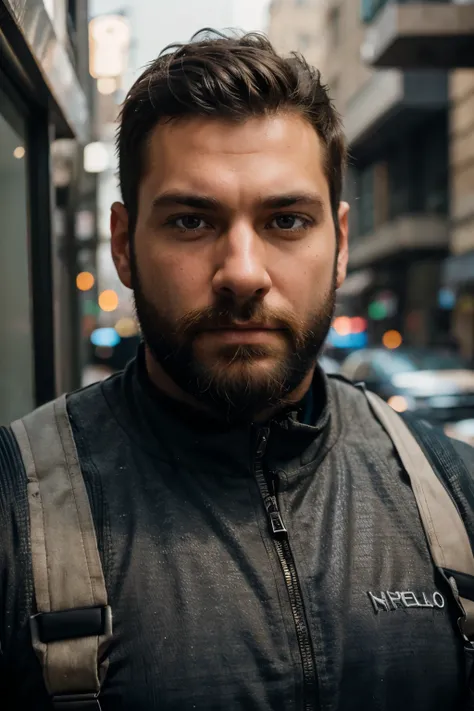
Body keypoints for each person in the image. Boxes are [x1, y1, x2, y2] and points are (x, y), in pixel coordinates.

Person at [1, 30, 474, 711]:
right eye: (192, 221)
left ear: (339, 244)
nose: (242, 274)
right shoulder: (18, 515)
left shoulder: (454, 496)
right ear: (123, 246)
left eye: (286, 220)